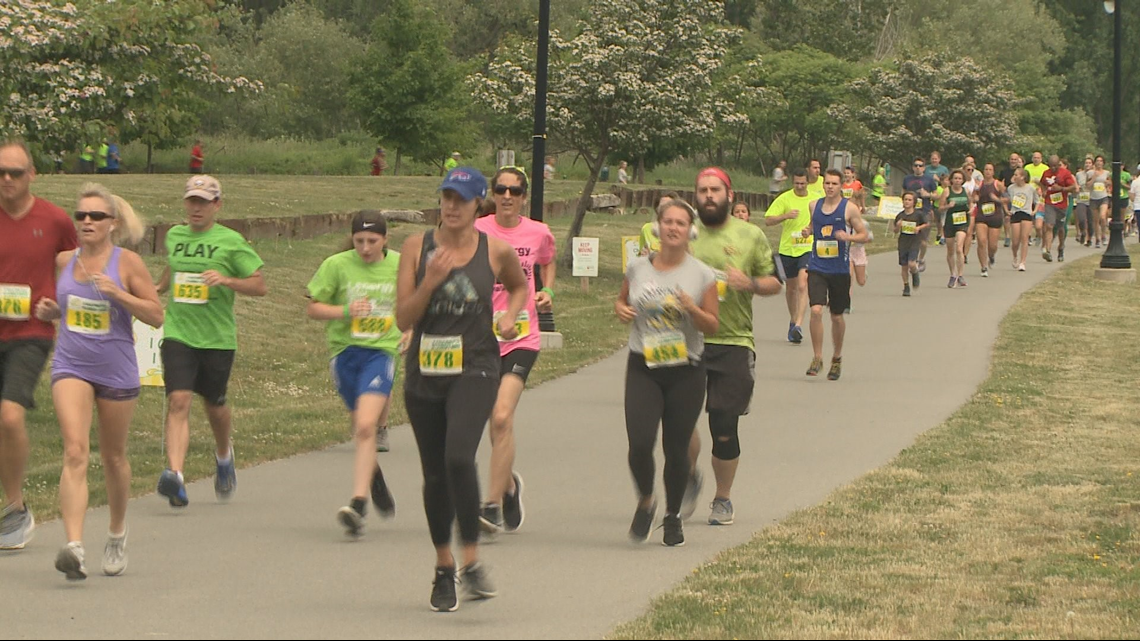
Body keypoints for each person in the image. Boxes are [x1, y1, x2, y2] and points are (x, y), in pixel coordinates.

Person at [396, 167, 528, 612]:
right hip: (426, 372)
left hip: (477, 366)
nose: (451, 206)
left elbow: (518, 287)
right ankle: (443, 565)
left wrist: (510, 315)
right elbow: (403, 319)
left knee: (458, 456)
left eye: (461, 199)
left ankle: (471, 561)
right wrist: (430, 280)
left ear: (478, 205)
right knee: (435, 474)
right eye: (446, 197)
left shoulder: (495, 250)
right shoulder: (416, 249)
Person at [34, 184, 161, 579]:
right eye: (81, 215)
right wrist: (53, 310)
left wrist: (119, 295)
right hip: (71, 364)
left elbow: (156, 315)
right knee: (75, 451)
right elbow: (70, 309)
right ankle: (74, 546)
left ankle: (117, 532)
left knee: (114, 458)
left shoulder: (127, 264)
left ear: (113, 224)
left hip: (116, 368)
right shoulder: (63, 261)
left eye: (96, 216)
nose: (86, 222)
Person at [154, 176, 267, 507]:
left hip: (217, 337)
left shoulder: (231, 241)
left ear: (217, 205)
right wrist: (160, 287)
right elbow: (174, 265)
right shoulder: (175, 235)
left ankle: (223, 455)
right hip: (179, 331)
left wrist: (227, 279)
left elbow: (260, 285)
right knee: (179, 400)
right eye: (191, 201)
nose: (196, 208)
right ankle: (175, 475)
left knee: (215, 405)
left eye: (203, 202)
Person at [615, 199, 718, 547]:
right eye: (668, 222)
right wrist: (621, 309)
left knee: (676, 449)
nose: (673, 228)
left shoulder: (701, 274)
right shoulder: (638, 268)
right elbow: (622, 300)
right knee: (640, 443)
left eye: (680, 223)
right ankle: (646, 499)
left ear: (690, 231)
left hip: (685, 368)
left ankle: (672, 515)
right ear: (658, 227)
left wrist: (692, 309)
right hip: (643, 363)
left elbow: (713, 325)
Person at [687, 167, 781, 527]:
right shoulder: (685, 231)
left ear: (729, 194)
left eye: (715, 190)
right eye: (702, 190)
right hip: (687, 339)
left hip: (733, 340)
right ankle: (689, 474)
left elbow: (775, 282)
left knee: (724, 426)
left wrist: (751, 283)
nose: (709, 196)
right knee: (678, 422)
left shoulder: (750, 234)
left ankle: (722, 498)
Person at [0, 140, 79, 550]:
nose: (7, 180)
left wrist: (59, 307)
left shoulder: (54, 220)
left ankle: (15, 510)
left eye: (15, 172)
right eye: (1, 173)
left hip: (31, 331)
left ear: (32, 174)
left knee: (10, 416)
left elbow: (81, 269)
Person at [306, 212, 401, 538]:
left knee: (365, 426)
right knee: (361, 429)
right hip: (345, 354)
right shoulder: (336, 265)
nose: (365, 248)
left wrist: (411, 331)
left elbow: (416, 301)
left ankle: (358, 505)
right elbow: (313, 307)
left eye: (372, 241)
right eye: (359, 241)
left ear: (385, 239)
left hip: (381, 352)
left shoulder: (400, 266)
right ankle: (373, 479)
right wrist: (346, 311)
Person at [474, 167, 556, 535]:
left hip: (523, 336)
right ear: (493, 194)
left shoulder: (538, 232)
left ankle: (490, 506)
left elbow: (547, 261)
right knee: (492, 418)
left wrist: (547, 291)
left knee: (502, 416)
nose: (508, 196)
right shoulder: (478, 230)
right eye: (501, 189)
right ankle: (508, 486)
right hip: (481, 337)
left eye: (515, 190)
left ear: (524, 196)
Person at [804, 169, 868, 379]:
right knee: (815, 310)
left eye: (834, 184)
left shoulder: (849, 209)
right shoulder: (814, 205)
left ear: (841, 186)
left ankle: (837, 358)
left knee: (837, 316)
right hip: (817, 266)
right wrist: (807, 230)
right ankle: (817, 357)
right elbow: (814, 226)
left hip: (839, 270)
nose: (830, 187)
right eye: (827, 183)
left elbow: (864, 235)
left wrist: (848, 238)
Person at [764, 171, 812, 344]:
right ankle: (793, 321)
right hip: (788, 249)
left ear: (808, 183)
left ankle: (799, 324)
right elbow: (768, 220)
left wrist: (811, 230)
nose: (800, 186)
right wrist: (785, 216)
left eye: (803, 183)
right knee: (791, 288)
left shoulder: (814, 199)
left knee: (802, 284)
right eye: (797, 183)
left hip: (808, 248)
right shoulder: (784, 198)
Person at [970, 163, 1007, 277]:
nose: (988, 172)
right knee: (981, 241)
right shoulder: (978, 184)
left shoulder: (998, 184)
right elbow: (973, 196)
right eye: (986, 169)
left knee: (992, 245)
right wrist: (975, 198)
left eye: (990, 170)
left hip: (995, 216)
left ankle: (991, 256)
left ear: (993, 172)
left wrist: (998, 199)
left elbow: (1007, 198)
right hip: (981, 215)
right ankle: (983, 266)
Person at [901, 157, 938, 272]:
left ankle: (920, 259)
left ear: (924, 168)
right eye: (916, 165)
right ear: (913, 167)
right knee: (910, 236)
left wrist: (927, 195)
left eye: (920, 165)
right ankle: (911, 259)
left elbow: (936, 195)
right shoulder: (907, 179)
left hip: (924, 211)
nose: (918, 167)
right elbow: (903, 192)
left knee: (922, 240)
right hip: (911, 212)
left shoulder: (929, 180)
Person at [1039, 155, 1076, 262]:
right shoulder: (1046, 173)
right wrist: (1044, 191)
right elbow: (1042, 183)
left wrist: (1062, 188)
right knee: (1049, 225)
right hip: (1050, 203)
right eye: (1051, 166)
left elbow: (1073, 187)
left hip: (1062, 204)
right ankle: (1048, 251)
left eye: (1055, 166)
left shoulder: (1065, 173)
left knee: (1060, 228)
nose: (1053, 168)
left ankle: (1061, 247)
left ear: (1059, 164)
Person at [938, 170, 971, 288]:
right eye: (955, 178)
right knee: (950, 250)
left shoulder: (966, 191)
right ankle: (953, 275)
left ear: (963, 180)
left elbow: (971, 203)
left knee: (959, 248)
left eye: (959, 179)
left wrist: (971, 210)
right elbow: (940, 208)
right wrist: (948, 206)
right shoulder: (947, 191)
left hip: (962, 222)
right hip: (950, 222)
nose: (957, 181)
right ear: (951, 180)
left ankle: (961, 275)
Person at [893, 192, 927, 297]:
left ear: (914, 202)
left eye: (909, 200)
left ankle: (915, 273)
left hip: (914, 241)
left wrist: (918, 228)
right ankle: (906, 286)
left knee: (911, 263)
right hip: (903, 242)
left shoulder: (918, 214)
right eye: (905, 199)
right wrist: (898, 226)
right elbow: (895, 231)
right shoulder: (900, 215)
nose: (907, 202)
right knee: (904, 266)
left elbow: (926, 223)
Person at [1006, 169, 1039, 272]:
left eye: (1016, 175)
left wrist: (1034, 211)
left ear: (1023, 177)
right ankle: (1015, 255)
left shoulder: (1030, 188)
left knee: (1024, 238)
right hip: (1015, 213)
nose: (1014, 176)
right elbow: (1005, 200)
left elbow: (1037, 201)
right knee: (1015, 241)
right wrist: (1006, 210)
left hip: (1026, 214)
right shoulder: (1011, 188)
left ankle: (1022, 262)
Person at [638, 192, 679, 256]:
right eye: (662, 206)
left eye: (669, 206)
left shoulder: (682, 230)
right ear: (657, 209)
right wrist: (643, 255)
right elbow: (640, 253)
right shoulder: (647, 228)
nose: (665, 209)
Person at [1087, 155, 1111, 248]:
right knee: (1095, 220)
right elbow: (1088, 185)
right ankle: (1097, 239)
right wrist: (1094, 177)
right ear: (1095, 163)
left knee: (1102, 217)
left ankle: (1104, 236)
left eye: (1101, 161)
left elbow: (1110, 183)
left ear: (1103, 163)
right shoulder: (1090, 173)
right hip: (1093, 198)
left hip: (1103, 197)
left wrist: (1107, 183)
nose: (1099, 163)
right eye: (1097, 161)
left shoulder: (1107, 173)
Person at [1074, 156, 1094, 246]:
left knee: (1090, 220)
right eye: (1086, 163)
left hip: (1092, 199)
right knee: (1081, 218)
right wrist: (1077, 188)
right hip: (1081, 199)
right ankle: (1083, 232)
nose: (1087, 165)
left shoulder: (1094, 174)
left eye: (1089, 163)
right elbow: (1076, 185)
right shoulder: (1079, 174)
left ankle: (1089, 239)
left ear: (1092, 165)